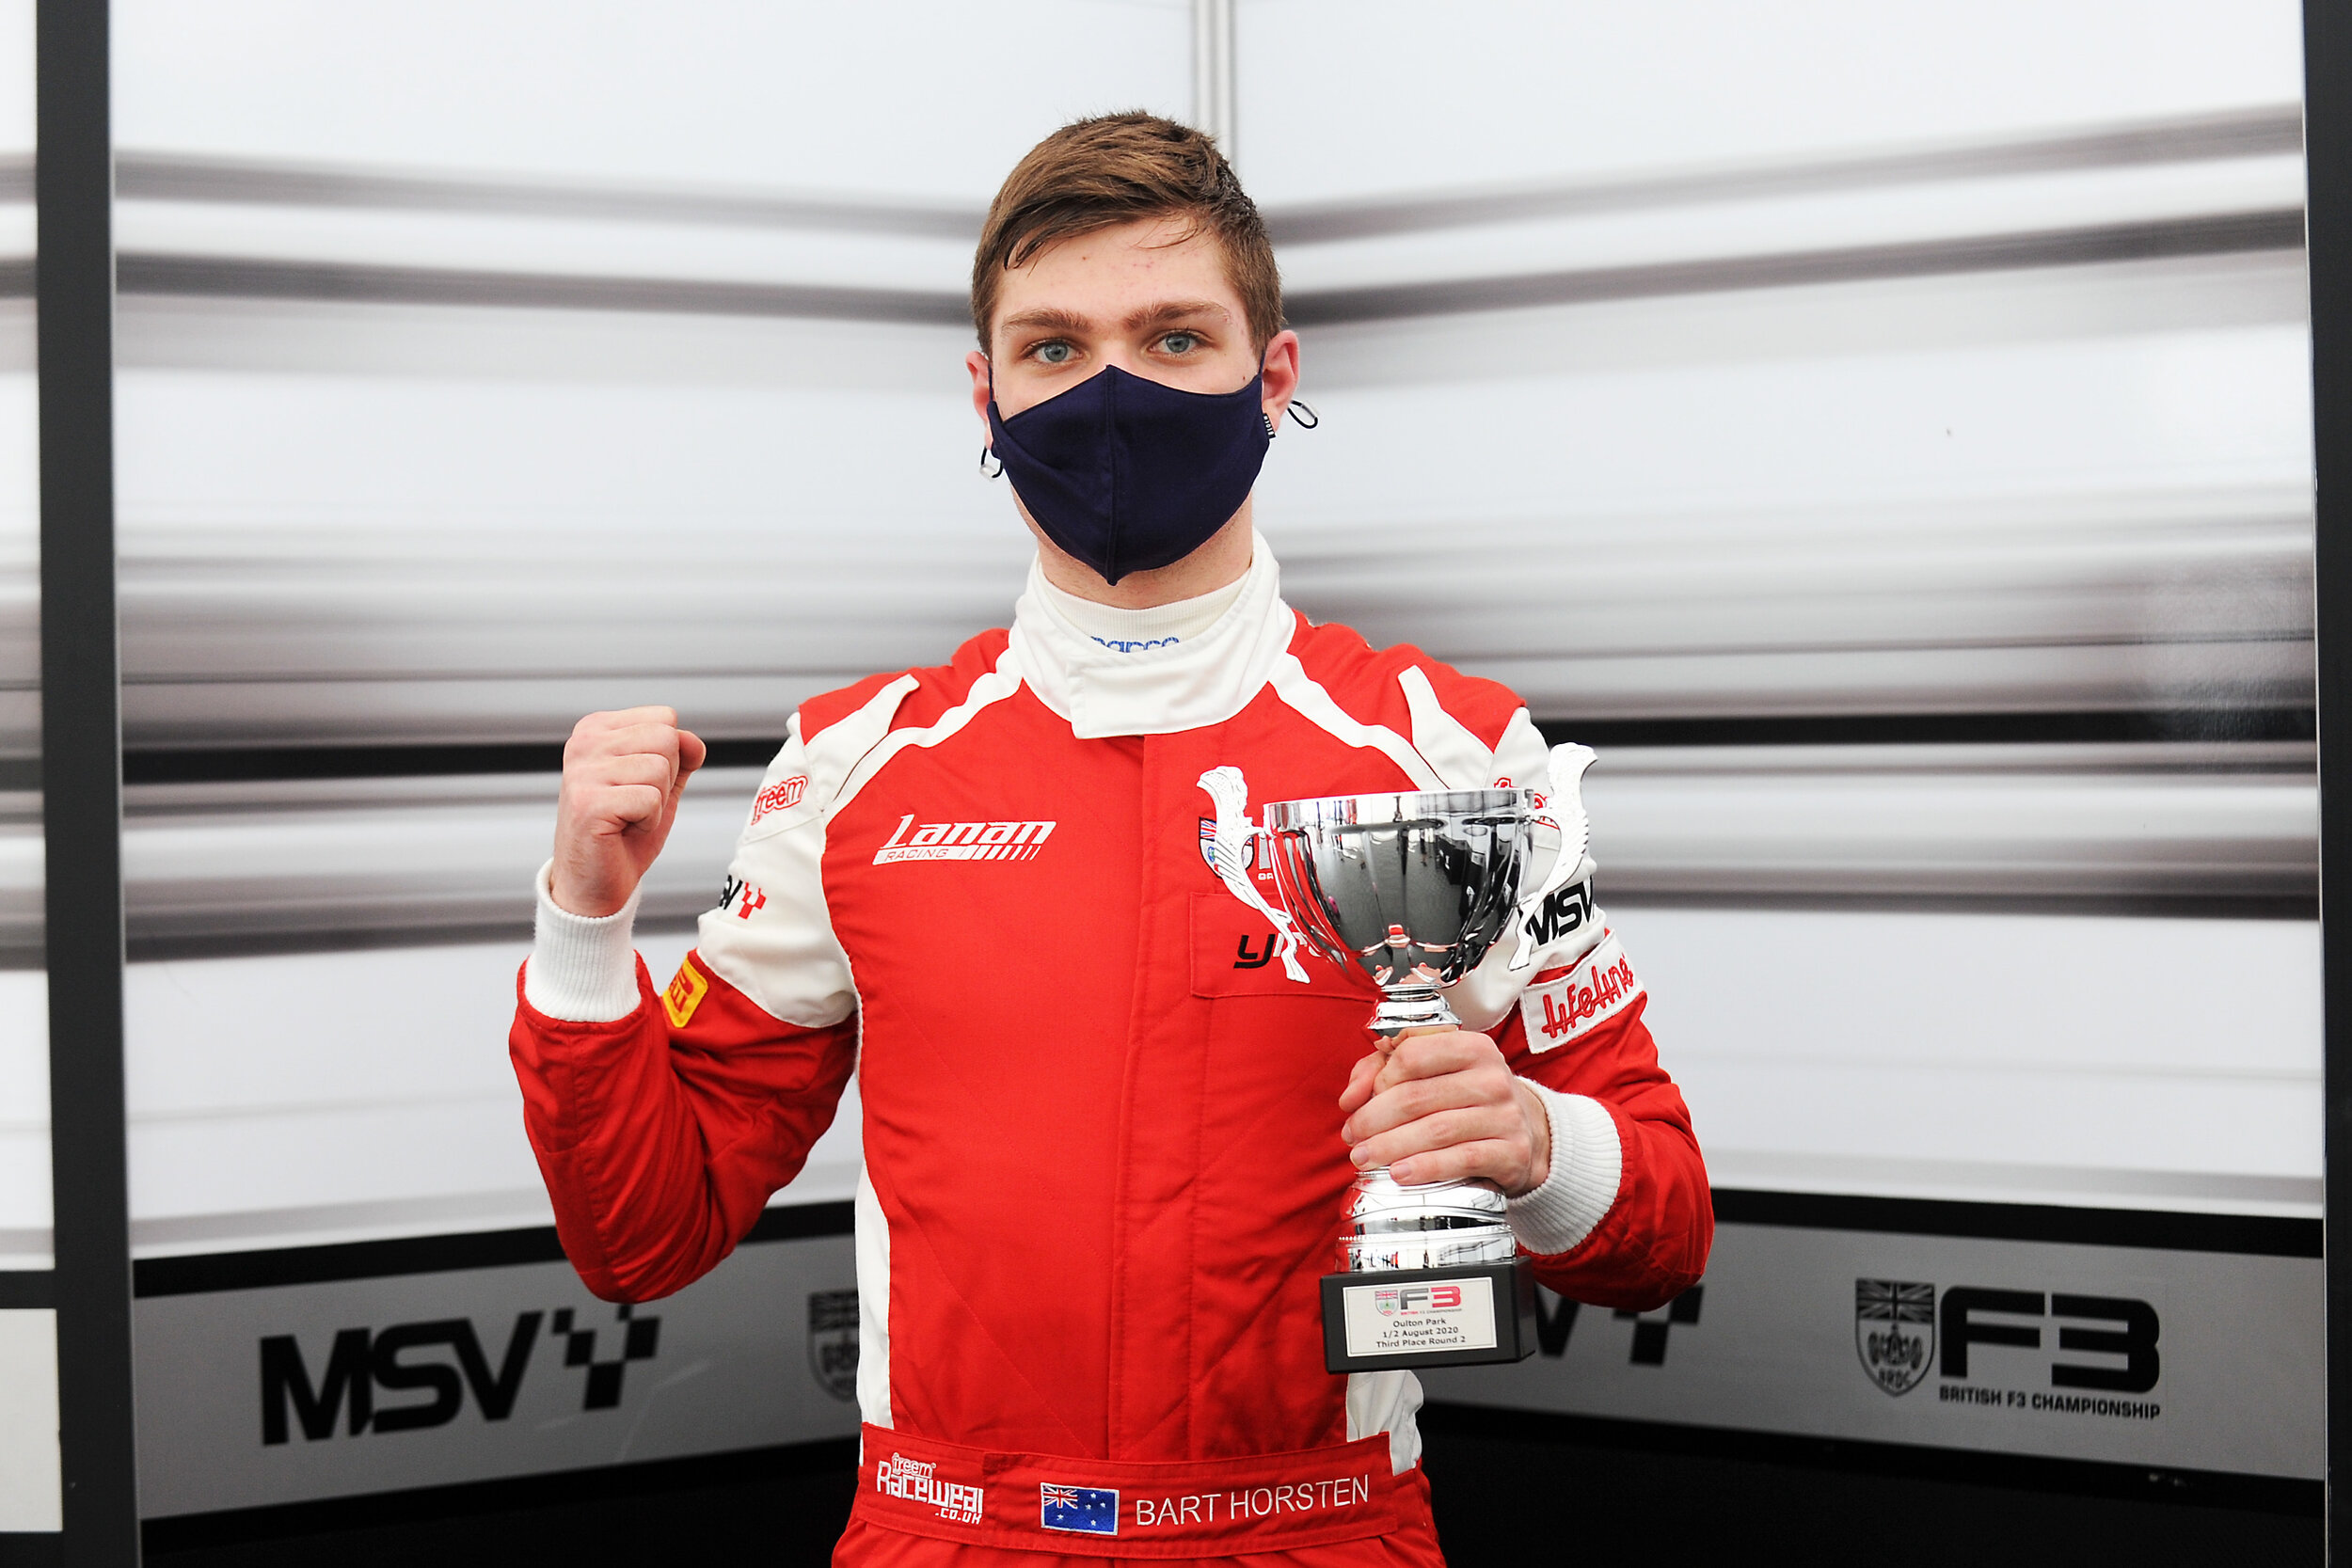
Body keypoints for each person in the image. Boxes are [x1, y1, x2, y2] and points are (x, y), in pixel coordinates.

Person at [510, 112, 1710, 1566]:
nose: (1113, 394)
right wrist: (585, 924)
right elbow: (643, 1235)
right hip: (952, 1537)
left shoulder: (1455, 755)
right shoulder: (850, 769)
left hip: (1320, 1533)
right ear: (988, 395)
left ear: (1274, 376)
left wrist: (1537, 1144)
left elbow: (1664, 1225)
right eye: (1056, 348)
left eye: (1174, 339)